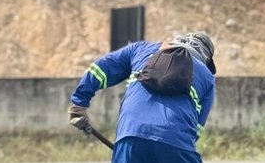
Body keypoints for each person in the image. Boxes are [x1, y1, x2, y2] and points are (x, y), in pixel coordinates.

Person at [67, 33, 217, 163]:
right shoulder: (207, 77)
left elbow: (100, 69)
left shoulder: (141, 49)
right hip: (176, 145)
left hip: (131, 136)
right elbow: (195, 131)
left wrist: (78, 104)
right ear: (205, 57)